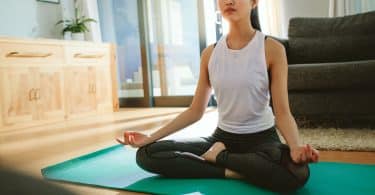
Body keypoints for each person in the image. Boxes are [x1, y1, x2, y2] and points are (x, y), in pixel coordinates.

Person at [117, 0, 319, 192]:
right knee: (146, 154)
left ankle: (220, 158)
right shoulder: (209, 54)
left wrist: (294, 147)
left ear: (254, 2)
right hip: (221, 138)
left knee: (298, 173)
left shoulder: (273, 50)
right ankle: (233, 169)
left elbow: (282, 112)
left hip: (262, 140)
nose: (229, 1)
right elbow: (195, 111)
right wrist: (150, 138)